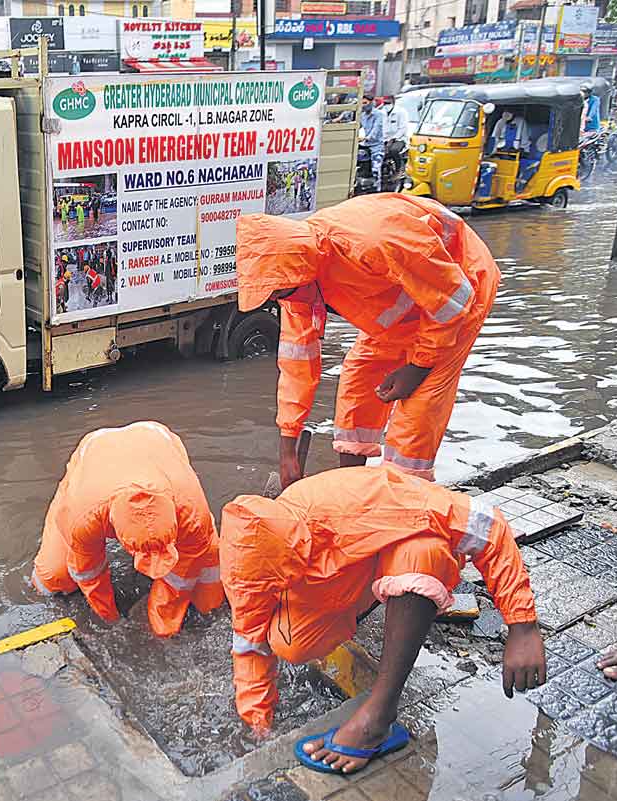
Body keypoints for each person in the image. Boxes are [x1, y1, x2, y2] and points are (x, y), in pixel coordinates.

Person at [221, 466, 544, 773]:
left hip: (394, 540)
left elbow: (490, 524)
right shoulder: (246, 561)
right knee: (290, 644)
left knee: (420, 554)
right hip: (346, 573)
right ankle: (377, 601)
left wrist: (522, 626)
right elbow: (249, 641)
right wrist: (257, 723)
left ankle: (378, 716)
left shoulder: (363, 507)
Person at [235, 193, 499, 486]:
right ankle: (351, 488)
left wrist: (418, 366)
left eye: (280, 294)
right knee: (357, 385)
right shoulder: (293, 277)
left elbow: (453, 299)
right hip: (404, 310)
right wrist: (287, 449)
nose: (282, 301)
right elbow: (297, 365)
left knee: (417, 412)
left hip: (460, 291)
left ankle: (404, 495)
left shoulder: (372, 242)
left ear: (303, 275)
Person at [32, 421, 225, 637]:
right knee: (53, 579)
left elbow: (185, 571)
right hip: (96, 449)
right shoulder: (83, 517)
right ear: (113, 528)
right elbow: (88, 572)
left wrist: (162, 624)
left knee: (209, 598)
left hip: (156, 439)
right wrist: (110, 618)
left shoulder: (191, 510)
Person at [360, 94, 386, 183]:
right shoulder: (362, 115)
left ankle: (377, 187)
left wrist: (368, 137)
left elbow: (376, 128)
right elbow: (357, 126)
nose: (363, 105)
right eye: (362, 103)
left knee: (376, 168)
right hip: (365, 144)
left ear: (371, 103)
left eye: (365, 103)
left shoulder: (378, 114)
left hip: (376, 145)